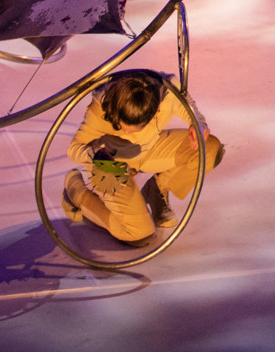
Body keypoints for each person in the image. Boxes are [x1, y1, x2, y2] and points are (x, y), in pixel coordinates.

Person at [61, 70, 223, 246]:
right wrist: (94, 154)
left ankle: (156, 190)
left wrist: (198, 122)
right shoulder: (101, 107)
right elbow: (73, 150)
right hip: (109, 165)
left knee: (208, 149)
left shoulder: (167, 92)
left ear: (156, 110)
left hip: (147, 150)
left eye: (134, 129)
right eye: (121, 126)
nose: (126, 133)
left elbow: (188, 105)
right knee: (139, 234)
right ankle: (78, 194)